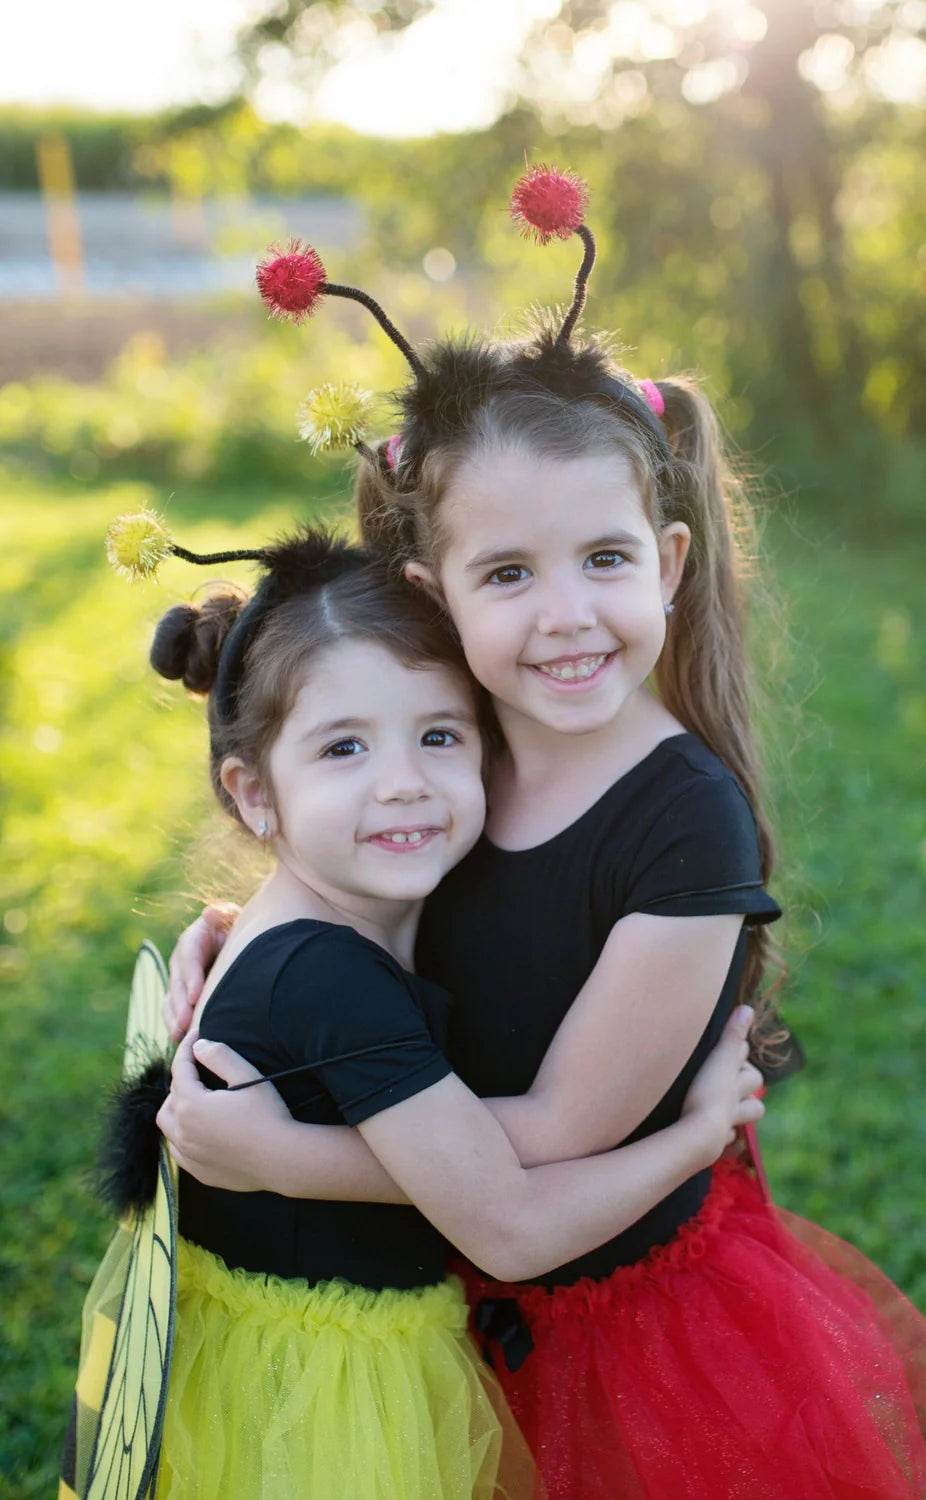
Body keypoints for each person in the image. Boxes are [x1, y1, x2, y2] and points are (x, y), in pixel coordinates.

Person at [157, 169, 926, 1497]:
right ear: (437, 599)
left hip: (623, 1334)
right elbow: (364, 891)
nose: (565, 616)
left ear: (666, 565)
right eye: (508, 574)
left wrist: (283, 1159)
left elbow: (542, 1141)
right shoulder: (455, 752)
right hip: (454, 1311)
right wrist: (241, 938)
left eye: (603, 560)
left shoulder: (683, 829)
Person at [111, 523, 768, 1500]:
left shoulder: (306, 923)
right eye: (343, 748)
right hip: (336, 1401)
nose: (404, 781)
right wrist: (697, 1134)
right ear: (253, 794)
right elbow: (508, 1228)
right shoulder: (335, 979)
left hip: (282, 1357)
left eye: (439, 736)